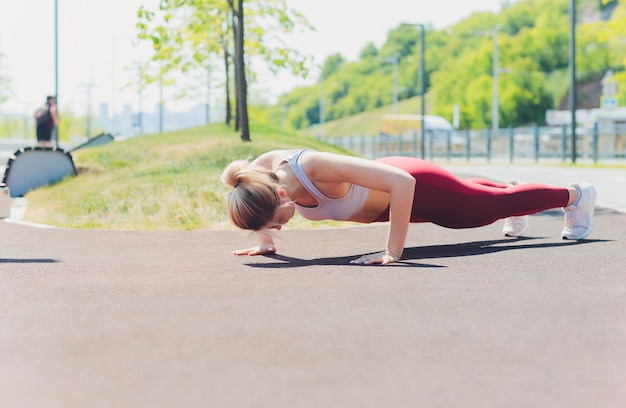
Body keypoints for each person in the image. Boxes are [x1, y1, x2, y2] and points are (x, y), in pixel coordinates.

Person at [221, 149, 596, 265]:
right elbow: (261, 206)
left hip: (408, 181)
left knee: (475, 215)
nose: (280, 226)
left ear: (282, 196)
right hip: (389, 203)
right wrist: (266, 240)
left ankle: (576, 195)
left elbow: (403, 184)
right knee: (477, 201)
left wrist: (392, 251)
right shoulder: (259, 178)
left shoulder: (312, 167)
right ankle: (512, 195)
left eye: (276, 222)